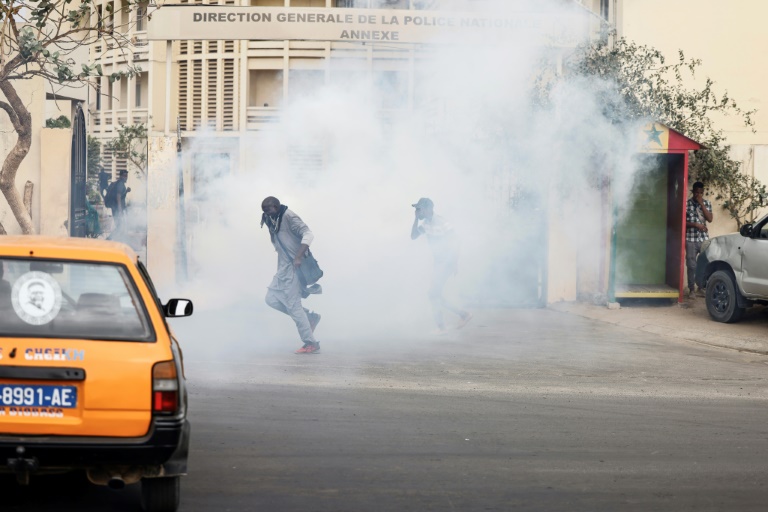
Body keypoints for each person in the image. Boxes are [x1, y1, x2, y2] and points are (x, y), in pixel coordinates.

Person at [261, 196, 322, 354]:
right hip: (283, 267)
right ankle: (309, 317)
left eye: (268, 210)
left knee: (293, 306)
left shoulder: (289, 216)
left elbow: (308, 235)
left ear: (276, 206)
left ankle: (311, 343)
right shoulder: (271, 218)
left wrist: (298, 257)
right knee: (271, 299)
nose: (266, 213)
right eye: (264, 211)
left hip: (296, 267)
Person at [411, 197, 472, 334]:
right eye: (417, 209)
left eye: (419, 209)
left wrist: (454, 262)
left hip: (447, 261)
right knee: (434, 294)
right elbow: (413, 236)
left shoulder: (441, 222)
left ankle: (443, 326)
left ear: (429, 209)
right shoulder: (426, 223)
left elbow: (456, 242)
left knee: (433, 294)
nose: (418, 211)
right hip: (439, 262)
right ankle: (462, 315)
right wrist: (415, 219)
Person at [685, 181, 713, 299]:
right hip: (690, 238)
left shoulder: (707, 203)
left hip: (703, 239)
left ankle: (700, 288)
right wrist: (696, 225)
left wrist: (702, 204)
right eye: (696, 192)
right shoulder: (687, 204)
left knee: (704, 264)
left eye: (700, 193)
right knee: (691, 265)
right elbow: (682, 222)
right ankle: (691, 290)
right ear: (693, 191)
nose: (698, 195)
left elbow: (710, 219)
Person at [108, 170, 130, 237]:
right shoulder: (120, 184)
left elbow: (121, 195)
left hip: (116, 208)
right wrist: (120, 211)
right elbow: (118, 197)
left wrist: (126, 191)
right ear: (120, 176)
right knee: (119, 227)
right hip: (117, 209)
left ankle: (114, 239)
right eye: (124, 176)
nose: (126, 177)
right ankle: (110, 239)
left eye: (126, 176)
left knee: (119, 226)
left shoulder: (120, 183)